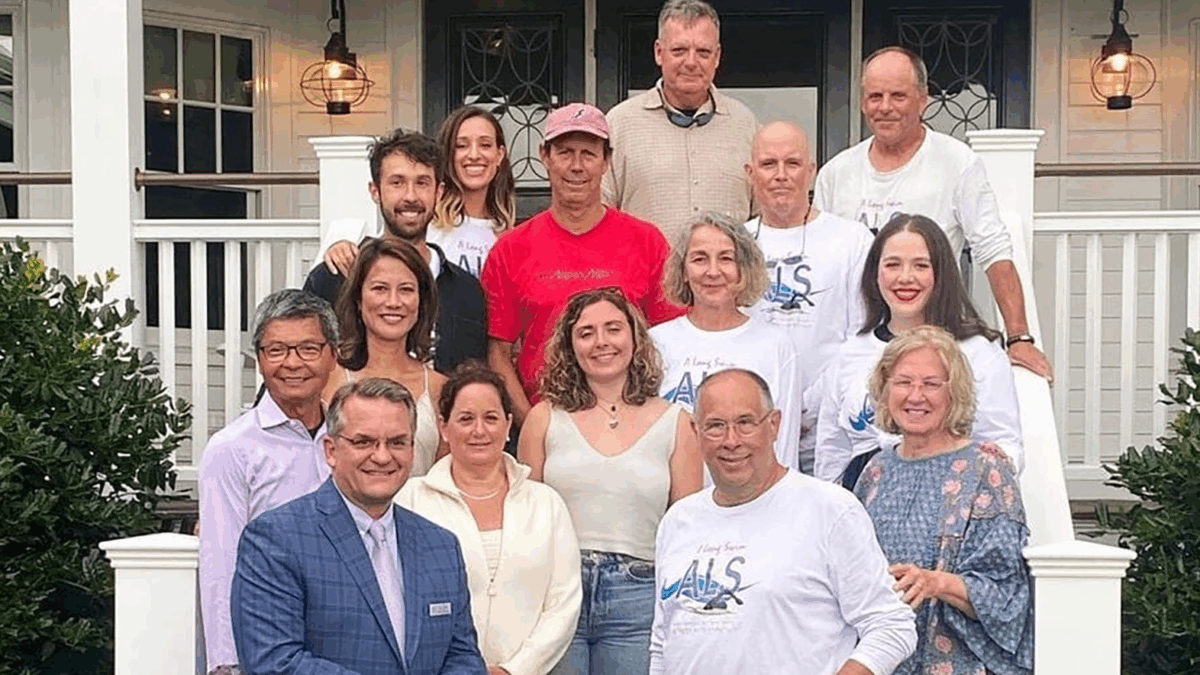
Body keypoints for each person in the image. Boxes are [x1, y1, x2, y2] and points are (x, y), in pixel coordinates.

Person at [650, 369, 916, 675]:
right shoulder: (678, 521)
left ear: (774, 424)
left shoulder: (829, 510)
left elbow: (891, 625)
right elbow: (662, 643)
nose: (731, 440)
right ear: (696, 432)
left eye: (745, 423)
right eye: (715, 426)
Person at [813, 46, 1052, 381]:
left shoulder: (957, 162)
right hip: (858, 343)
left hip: (932, 345)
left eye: (898, 96)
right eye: (875, 96)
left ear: (922, 100)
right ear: (863, 102)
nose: (885, 107)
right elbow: (823, 262)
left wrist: (1019, 338)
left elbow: (993, 250)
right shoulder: (836, 173)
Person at [231, 377, 487, 675]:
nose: (382, 456)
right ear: (330, 450)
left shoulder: (441, 546)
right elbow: (274, 662)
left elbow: (463, 657)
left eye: (397, 442)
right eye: (363, 442)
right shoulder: (275, 540)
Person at [518, 287, 703, 675]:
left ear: (635, 337)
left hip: (639, 595)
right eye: (586, 333)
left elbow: (687, 528)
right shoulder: (543, 418)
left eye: (613, 328)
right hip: (558, 593)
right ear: (570, 346)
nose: (601, 342)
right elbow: (526, 519)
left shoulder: (677, 422)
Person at [481, 103, 684, 425]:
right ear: (545, 156)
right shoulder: (510, 250)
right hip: (547, 422)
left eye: (588, 154)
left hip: (632, 423)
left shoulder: (647, 241)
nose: (576, 166)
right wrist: (534, 427)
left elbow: (672, 343)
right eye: (565, 153)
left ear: (606, 160)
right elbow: (498, 354)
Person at [855, 326, 1034, 675]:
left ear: (955, 393)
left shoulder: (986, 467)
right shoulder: (875, 471)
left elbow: (1007, 594)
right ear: (885, 389)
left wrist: (934, 582)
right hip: (883, 660)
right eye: (903, 382)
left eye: (931, 384)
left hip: (958, 662)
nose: (915, 396)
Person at [396, 364, 582, 675]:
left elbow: (564, 603)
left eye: (491, 418)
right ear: (443, 427)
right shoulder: (410, 501)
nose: (479, 430)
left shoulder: (545, 503)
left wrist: (514, 670)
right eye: (466, 419)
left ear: (508, 425)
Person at [815, 214, 1023, 487]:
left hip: (949, 498)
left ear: (941, 273)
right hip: (862, 500)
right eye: (892, 265)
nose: (905, 278)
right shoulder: (850, 353)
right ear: (875, 273)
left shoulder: (979, 353)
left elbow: (1005, 446)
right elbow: (832, 451)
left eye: (921, 265)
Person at [198, 289, 339, 675]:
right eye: (276, 350)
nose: (292, 363)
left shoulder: (349, 439)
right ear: (259, 359)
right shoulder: (232, 449)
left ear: (333, 355)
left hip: (346, 634)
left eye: (308, 348)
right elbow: (220, 561)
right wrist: (226, 663)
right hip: (268, 638)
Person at [743, 121, 873, 473]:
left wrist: (810, 406)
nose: (781, 175)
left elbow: (862, 336)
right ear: (750, 173)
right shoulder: (735, 245)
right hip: (753, 430)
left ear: (812, 170)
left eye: (793, 163)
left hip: (831, 426)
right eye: (769, 164)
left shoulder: (852, 240)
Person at [304, 129, 488, 374]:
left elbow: (474, 379)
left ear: (439, 192)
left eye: (422, 183)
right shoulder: (335, 278)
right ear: (375, 191)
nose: (410, 196)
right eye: (397, 183)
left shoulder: (466, 291)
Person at [651, 211, 803, 471]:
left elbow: (784, 442)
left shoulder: (776, 345)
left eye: (726, 259)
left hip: (752, 492)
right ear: (683, 270)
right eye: (700, 259)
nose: (713, 272)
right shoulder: (654, 343)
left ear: (743, 269)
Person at [602, 0, 757, 242]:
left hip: (728, 268)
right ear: (659, 52)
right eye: (679, 50)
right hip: (645, 268)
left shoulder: (746, 126)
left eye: (703, 52)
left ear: (717, 56)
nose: (691, 62)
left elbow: (765, 220)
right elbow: (599, 219)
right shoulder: (619, 125)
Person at [322, 237, 446, 477]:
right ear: (358, 299)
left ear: (421, 301)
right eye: (380, 288)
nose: (393, 302)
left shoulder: (440, 389)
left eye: (406, 290)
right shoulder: (326, 380)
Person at [427, 107, 517, 277]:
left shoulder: (510, 236)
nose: (474, 155)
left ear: (499, 155)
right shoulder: (428, 227)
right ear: (448, 155)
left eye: (485, 145)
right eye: (461, 146)